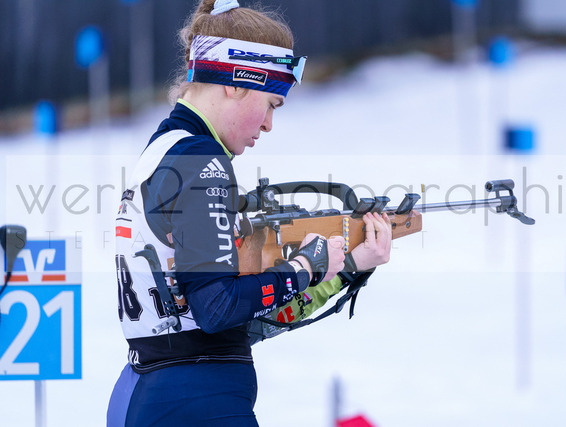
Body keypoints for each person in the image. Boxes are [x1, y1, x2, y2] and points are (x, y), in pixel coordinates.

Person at [107, 1, 392, 425]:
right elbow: (217, 309)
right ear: (237, 82)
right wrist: (304, 268)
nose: (269, 124)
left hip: (160, 388)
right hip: (197, 400)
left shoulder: (168, 147)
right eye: (272, 103)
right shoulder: (200, 160)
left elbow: (229, 322)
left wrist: (345, 267)